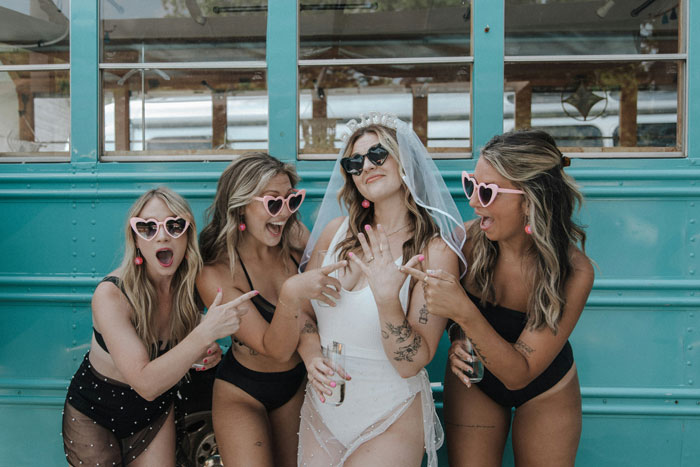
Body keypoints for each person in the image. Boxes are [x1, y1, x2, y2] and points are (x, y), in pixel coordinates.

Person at [402, 129, 595, 467]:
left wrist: (464, 315)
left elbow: (520, 374)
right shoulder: (463, 244)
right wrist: (456, 333)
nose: (474, 202)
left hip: (546, 385)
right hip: (474, 380)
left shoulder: (574, 271)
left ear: (531, 198)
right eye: (470, 185)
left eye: (487, 192)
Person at [296, 113, 467, 466]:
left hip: (391, 411)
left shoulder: (433, 252)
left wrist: (388, 299)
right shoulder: (334, 234)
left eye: (378, 155)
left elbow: (413, 363)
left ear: (405, 161)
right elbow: (303, 313)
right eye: (354, 162)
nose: (366, 167)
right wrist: (311, 355)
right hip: (324, 406)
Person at [62, 187, 256, 467]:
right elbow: (145, 383)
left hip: (154, 411)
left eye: (175, 226)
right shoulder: (113, 294)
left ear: (188, 235)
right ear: (136, 240)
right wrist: (204, 333)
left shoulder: (190, 287)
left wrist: (203, 351)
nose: (162, 235)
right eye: (148, 227)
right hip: (96, 414)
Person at [197, 152, 345, 467]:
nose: (284, 214)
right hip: (243, 392)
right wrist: (292, 293)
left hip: (296, 384)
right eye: (272, 203)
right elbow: (273, 349)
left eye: (291, 202)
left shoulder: (295, 241)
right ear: (239, 206)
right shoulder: (216, 273)